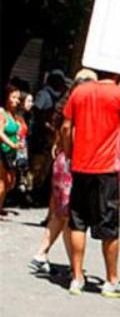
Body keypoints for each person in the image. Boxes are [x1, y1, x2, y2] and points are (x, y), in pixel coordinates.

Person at [62, 71, 120, 297]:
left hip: (80, 166)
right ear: (119, 74)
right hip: (106, 169)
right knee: (109, 226)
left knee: (77, 221)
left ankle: (77, 277)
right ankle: (111, 280)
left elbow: (66, 127)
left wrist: (69, 154)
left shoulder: (80, 91)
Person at [29, 90, 74, 273]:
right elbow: (65, 131)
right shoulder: (72, 118)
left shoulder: (65, 113)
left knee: (62, 215)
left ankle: (70, 264)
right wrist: (71, 154)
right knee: (67, 216)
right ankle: (71, 266)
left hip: (61, 163)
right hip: (68, 165)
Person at [0, 85, 24, 218]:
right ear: (6, 98)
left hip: (12, 153)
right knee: (2, 182)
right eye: (14, 97)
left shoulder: (14, 115)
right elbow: (0, 133)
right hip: (2, 151)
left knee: (10, 181)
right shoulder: (2, 113)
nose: (17, 100)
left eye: (18, 98)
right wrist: (12, 144)